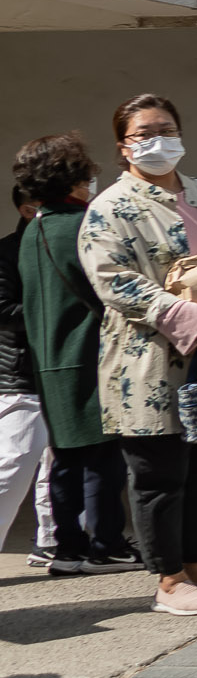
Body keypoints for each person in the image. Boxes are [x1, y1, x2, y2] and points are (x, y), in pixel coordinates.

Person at [77, 94, 197, 616]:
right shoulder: (111, 208)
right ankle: (169, 578)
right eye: (144, 132)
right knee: (161, 475)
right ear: (124, 146)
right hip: (151, 364)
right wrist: (190, 317)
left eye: (166, 128)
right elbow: (115, 281)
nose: (157, 140)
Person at [15, 138, 128, 576]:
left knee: (65, 460)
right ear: (74, 179)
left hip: (49, 360)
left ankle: (68, 548)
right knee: (103, 457)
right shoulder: (82, 225)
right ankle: (107, 545)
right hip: (89, 354)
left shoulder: (34, 230)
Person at [0, 186, 51, 569]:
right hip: (21, 374)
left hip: (59, 368)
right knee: (15, 462)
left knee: (57, 462)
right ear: (27, 207)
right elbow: (4, 311)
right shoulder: (8, 251)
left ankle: (53, 539)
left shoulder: (65, 244)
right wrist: (54, 312)